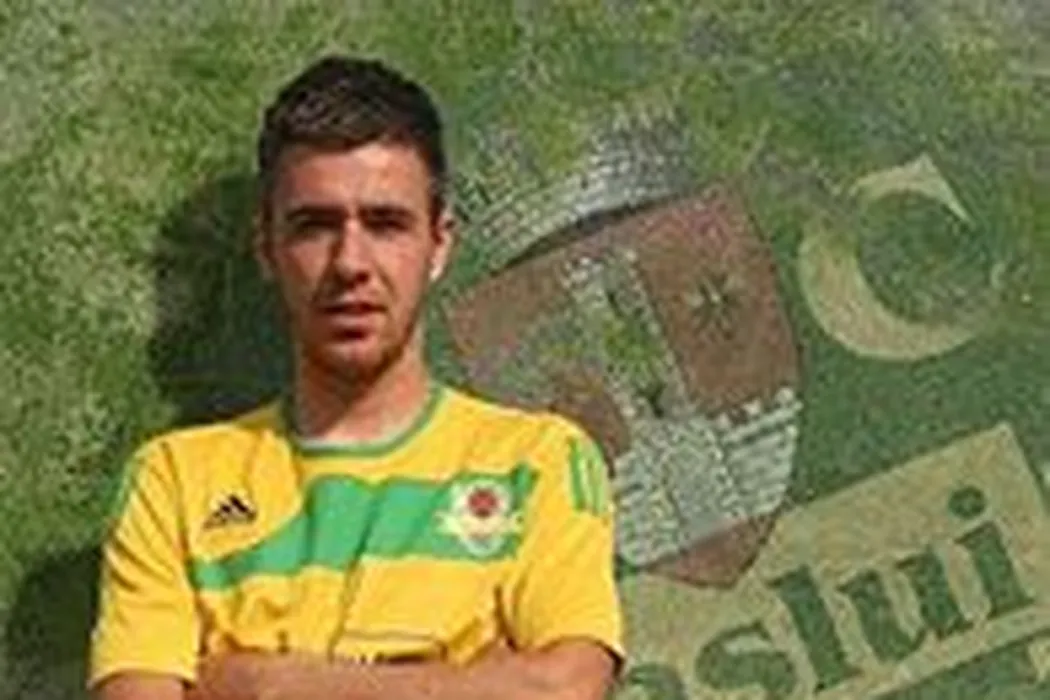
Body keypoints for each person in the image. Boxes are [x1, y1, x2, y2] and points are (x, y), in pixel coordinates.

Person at [89, 55, 624, 700]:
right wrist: (472, 681)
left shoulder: (537, 463)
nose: (350, 263)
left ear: (439, 244)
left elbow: (564, 689)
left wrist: (273, 684)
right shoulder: (173, 482)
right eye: (314, 226)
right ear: (267, 249)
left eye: (385, 223)